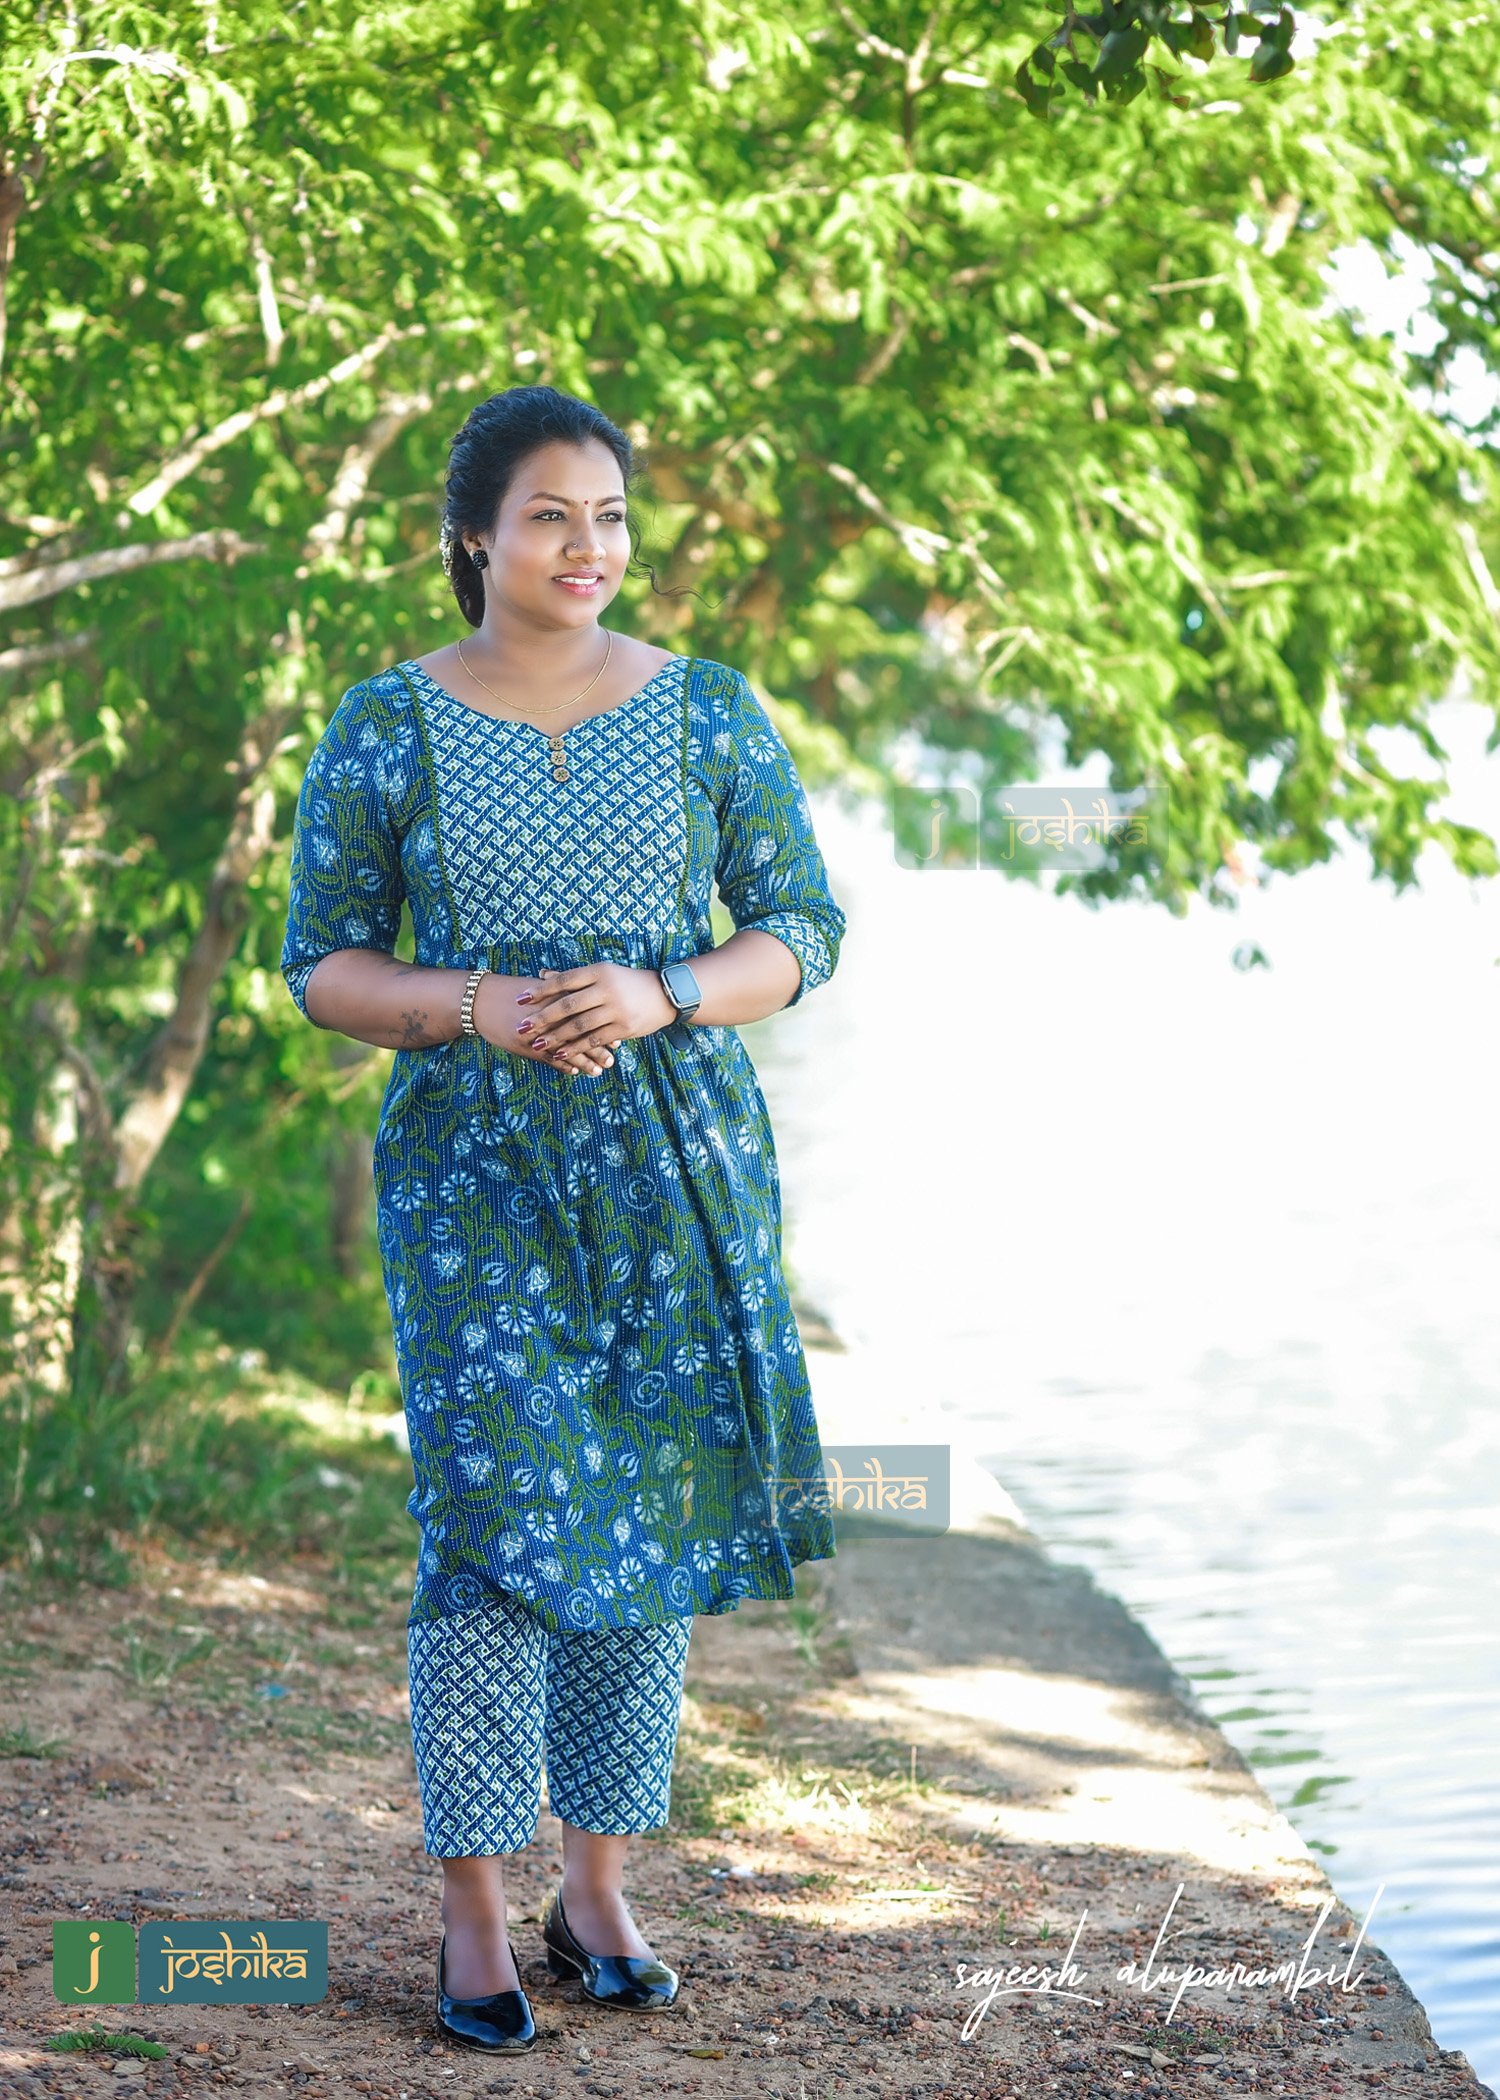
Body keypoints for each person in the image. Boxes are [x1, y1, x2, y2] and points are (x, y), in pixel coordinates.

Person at [279, 385, 849, 2051]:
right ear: (475, 534)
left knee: (644, 1519)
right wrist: (477, 1006)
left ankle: (595, 1890)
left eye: (608, 516)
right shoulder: (388, 723)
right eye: (549, 515)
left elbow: (804, 928)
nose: (586, 546)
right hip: (475, 1180)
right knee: (488, 1522)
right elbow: (322, 964)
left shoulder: (708, 709)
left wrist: (666, 991)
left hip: (678, 1164)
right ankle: (473, 1905)